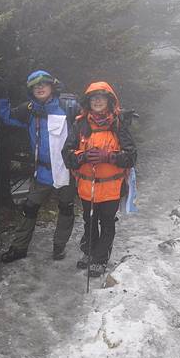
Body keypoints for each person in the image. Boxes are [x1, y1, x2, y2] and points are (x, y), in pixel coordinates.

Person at [0, 70, 77, 262]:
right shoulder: (29, 110)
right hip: (42, 172)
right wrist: (1, 94)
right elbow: (6, 117)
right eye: (34, 86)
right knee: (29, 208)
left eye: (43, 84)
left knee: (66, 208)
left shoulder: (69, 107)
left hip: (67, 170)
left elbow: (93, 116)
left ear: (52, 86)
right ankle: (19, 248)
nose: (39, 88)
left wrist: (117, 115)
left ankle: (59, 246)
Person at [61, 81, 137, 277]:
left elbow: (131, 156)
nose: (97, 101)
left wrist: (109, 157)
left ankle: (100, 258)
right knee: (90, 220)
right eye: (93, 98)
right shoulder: (80, 124)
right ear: (88, 102)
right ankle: (89, 252)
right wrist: (83, 156)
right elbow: (67, 154)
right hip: (87, 185)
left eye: (101, 98)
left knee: (107, 221)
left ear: (109, 101)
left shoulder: (118, 124)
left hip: (112, 186)